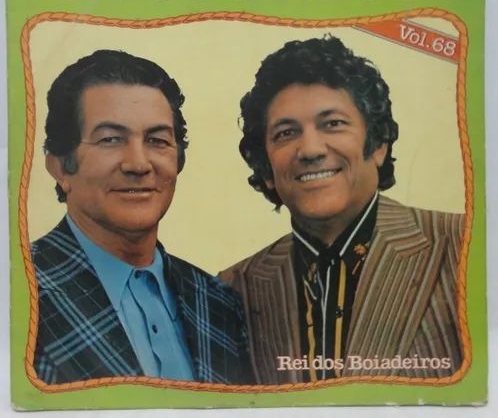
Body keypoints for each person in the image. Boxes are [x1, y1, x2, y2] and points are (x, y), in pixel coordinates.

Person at [220, 36, 464, 384]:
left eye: (332, 123)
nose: (310, 149)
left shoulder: (466, 246)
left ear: (377, 144)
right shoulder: (231, 290)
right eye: (286, 133)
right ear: (267, 168)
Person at [31, 50, 252, 385]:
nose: (138, 164)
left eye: (157, 140)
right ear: (60, 167)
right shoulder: (21, 290)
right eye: (110, 139)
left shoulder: (219, 302)